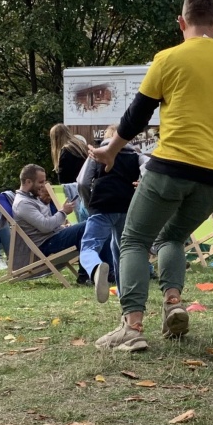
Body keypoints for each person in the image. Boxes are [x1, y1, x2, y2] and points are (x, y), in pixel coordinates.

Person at [89, 0, 213, 352]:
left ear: (181, 23)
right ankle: (173, 305)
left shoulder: (168, 58)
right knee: (172, 237)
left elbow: (137, 114)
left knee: (135, 239)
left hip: (172, 166)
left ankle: (132, 327)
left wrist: (111, 149)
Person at [76, 124, 144, 303]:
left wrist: (90, 205)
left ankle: (96, 268)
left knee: (89, 247)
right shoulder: (136, 155)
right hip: (126, 207)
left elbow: (82, 182)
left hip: (102, 206)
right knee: (122, 250)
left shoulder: (98, 154)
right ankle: (125, 291)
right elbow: (149, 171)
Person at [12, 164, 87, 262]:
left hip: (54, 237)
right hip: (47, 244)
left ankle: (94, 270)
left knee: (92, 226)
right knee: (89, 225)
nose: (43, 185)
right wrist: (63, 212)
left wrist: (63, 227)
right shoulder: (23, 203)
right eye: (41, 182)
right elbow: (45, 226)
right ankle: (92, 271)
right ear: (28, 182)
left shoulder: (32, 198)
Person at [50, 124, 90, 223]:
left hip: (75, 193)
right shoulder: (80, 146)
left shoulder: (65, 151)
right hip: (87, 189)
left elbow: (63, 179)